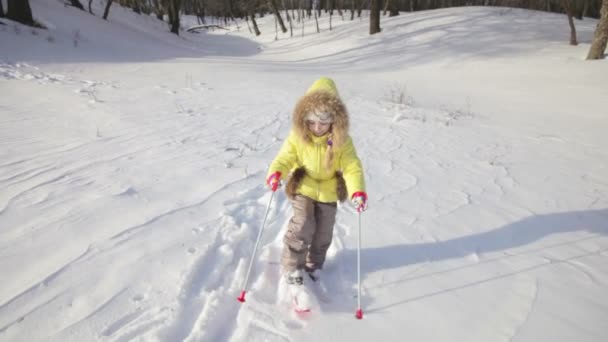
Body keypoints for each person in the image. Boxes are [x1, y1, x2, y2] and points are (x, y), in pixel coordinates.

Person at [266, 77, 367, 289]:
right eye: (311, 122)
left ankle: (314, 266)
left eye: (323, 123)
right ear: (304, 119)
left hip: (329, 190)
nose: (317, 127)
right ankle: (293, 266)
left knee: (323, 232)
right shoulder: (298, 136)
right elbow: (285, 158)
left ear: (334, 121)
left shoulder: (343, 141)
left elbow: (351, 167)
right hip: (304, 186)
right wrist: (277, 172)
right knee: (303, 224)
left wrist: (357, 191)